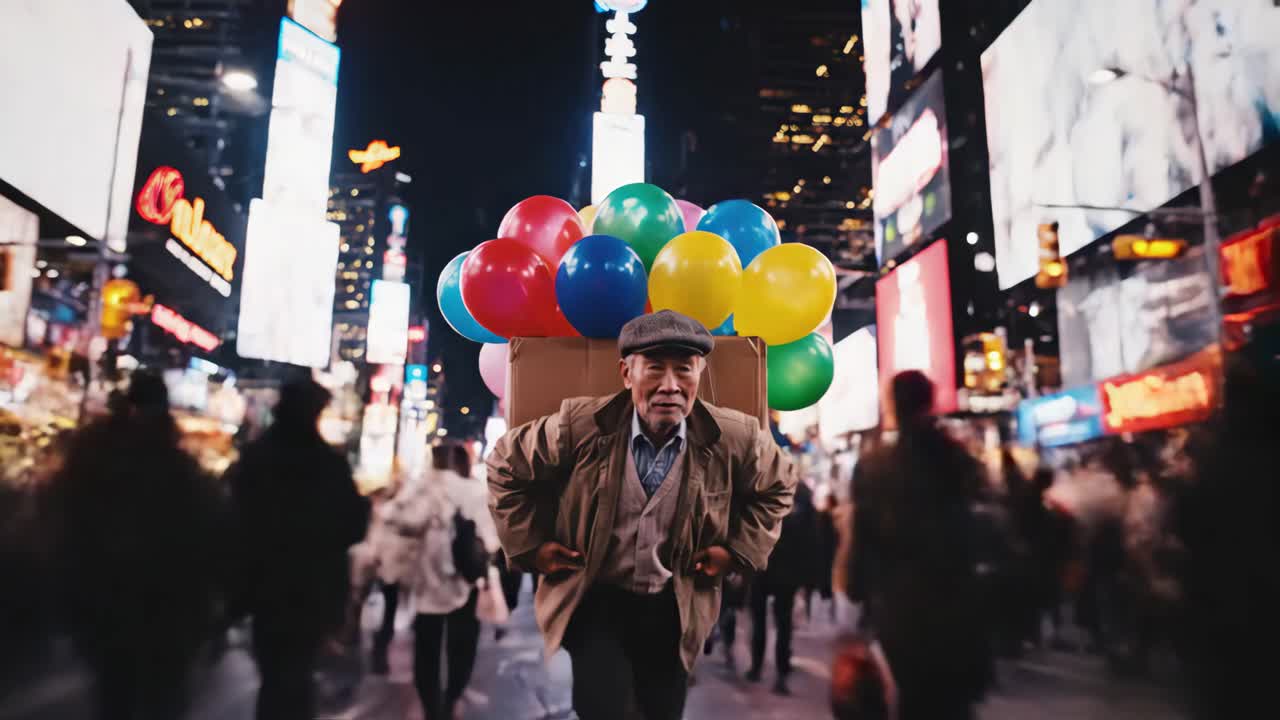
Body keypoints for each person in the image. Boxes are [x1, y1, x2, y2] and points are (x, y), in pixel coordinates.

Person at [487, 310, 797, 720]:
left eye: (683, 370)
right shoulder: (580, 426)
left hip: (676, 608)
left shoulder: (733, 437)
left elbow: (779, 485)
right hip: (598, 602)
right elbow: (504, 465)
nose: (670, 385)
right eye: (654, 368)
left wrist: (737, 550)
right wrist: (531, 546)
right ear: (626, 373)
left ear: (698, 375)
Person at [47, 371, 226, 720]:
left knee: (116, 693)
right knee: (160, 696)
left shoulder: (95, 456)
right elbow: (210, 534)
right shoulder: (180, 469)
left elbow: (65, 516)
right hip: (165, 608)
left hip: (107, 598)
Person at [848, 371, 991, 720]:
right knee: (955, 705)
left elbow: (862, 542)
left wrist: (859, 592)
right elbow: (983, 527)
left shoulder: (874, 468)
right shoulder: (960, 460)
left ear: (893, 405)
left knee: (912, 701)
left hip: (903, 609)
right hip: (959, 604)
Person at [227, 378, 369, 720]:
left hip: (263, 585)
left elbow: (233, 521)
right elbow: (353, 526)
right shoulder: (328, 464)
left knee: (274, 676)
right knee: (298, 675)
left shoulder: (256, 458)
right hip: (312, 589)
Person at [386, 442, 498, 720]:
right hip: (466, 579)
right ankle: (452, 699)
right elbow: (492, 540)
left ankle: (431, 708)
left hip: (427, 582)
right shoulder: (474, 490)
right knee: (463, 646)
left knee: (426, 650)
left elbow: (395, 518)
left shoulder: (422, 489)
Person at [747, 480, 820, 695]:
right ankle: (780, 672)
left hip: (765, 568)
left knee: (761, 619)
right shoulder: (804, 502)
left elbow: (752, 531)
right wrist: (808, 579)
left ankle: (757, 667)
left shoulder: (765, 493)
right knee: (783, 622)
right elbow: (811, 542)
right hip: (787, 572)